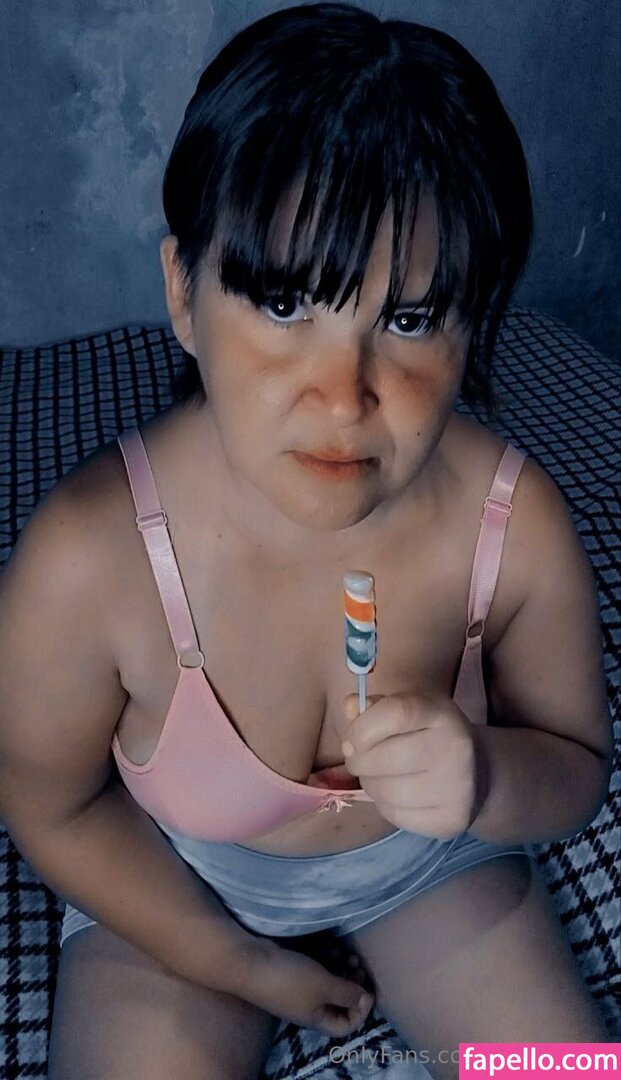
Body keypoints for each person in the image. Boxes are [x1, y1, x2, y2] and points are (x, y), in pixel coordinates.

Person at [0, 4, 613, 1078]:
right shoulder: (89, 563)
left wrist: (482, 778)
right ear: (184, 293)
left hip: (428, 874)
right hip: (181, 892)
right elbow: (48, 803)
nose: (343, 397)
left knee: (561, 1071)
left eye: (410, 321)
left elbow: (578, 769)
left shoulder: (511, 532)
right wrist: (239, 964)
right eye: (284, 304)